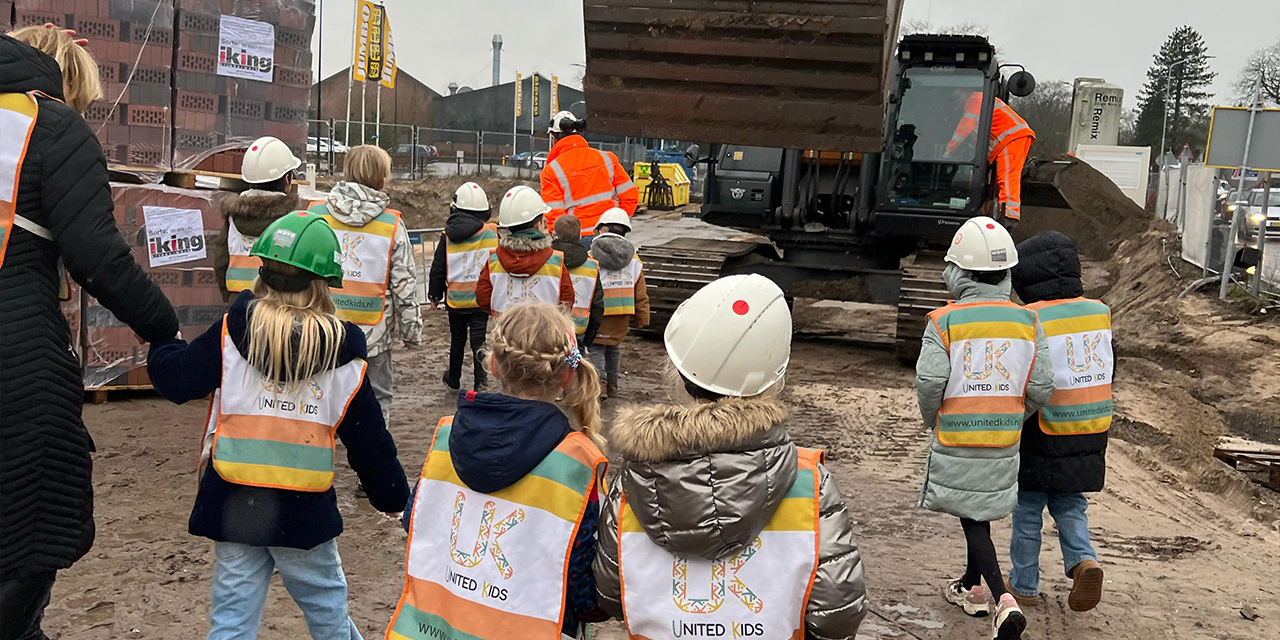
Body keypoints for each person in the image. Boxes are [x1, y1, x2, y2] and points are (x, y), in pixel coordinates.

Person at [147, 211, 409, 640]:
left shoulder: (234, 332)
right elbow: (370, 443)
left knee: (231, 621)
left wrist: (162, 339)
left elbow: (177, 379)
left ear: (262, 269)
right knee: (328, 617)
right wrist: (392, 497)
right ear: (326, 282)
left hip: (234, 503)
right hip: (303, 514)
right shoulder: (344, 355)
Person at [0, 28, 180, 639]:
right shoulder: (50, 129)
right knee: (29, 524)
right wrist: (164, 329)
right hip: (17, 366)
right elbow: (99, 256)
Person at [594, 274, 867, 640]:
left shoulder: (633, 481)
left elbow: (609, 594)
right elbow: (836, 616)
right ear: (773, 377)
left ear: (677, 368)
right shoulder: (810, 483)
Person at [388, 303, 609, 640]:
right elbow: (582, 578)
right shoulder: (576, 462)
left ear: (492, 364)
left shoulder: (448, 437)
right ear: (567, 374)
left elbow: (415, 520)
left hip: (438, 629)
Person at [916, 216, 1054, 640]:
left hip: (958, 434)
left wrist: (933, 419)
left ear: (960, 271)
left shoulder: (944, 322)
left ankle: (1002, 601)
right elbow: (1042, 385)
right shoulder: (1028, 321)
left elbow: (930, 383)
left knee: (971, 516)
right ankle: (972, 588)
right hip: (1004, 436)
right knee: (977, 508)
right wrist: (1014, 414)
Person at [1006, 231, 1110, 612]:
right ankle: (1084, 561)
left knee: (1027, 509)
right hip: (1090, 427)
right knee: (1070, 503)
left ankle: (1023, 586)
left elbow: (1024, 372)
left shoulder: (1031, 318)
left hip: (1042, 427)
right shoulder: (1100, 311)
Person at [306, 145, 422, 422]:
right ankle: (374, 454)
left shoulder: (316, 215)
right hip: (375, 334)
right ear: (382, 179)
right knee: (377, 400)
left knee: (319, 395)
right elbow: (404, 285)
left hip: (322, 329)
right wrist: (410, 331)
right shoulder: (392, 225)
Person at [214, 136, 304, 302]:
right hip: (278, 309)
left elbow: (221, 261)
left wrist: (232, 298)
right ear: (287, 179)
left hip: (239, 302)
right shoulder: (292, 221)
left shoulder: (233, 218)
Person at [428, 182, 499, 391]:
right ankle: (481, 382)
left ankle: (454, 378)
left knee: (457, 341)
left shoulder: (448, 236)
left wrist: (434, 294)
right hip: (481, 298)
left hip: (456, 298)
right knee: (479, 341)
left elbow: (438, 267)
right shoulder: (492, 233)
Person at [540, 111, 638, 247]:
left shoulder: (552, 170)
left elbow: (555, 215)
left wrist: (562, 241)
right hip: (611, 234)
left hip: (578, 240)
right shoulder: (607, 158)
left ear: (554, 137)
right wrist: (618, 223)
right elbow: (630, 196)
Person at [476, 185, 574, 316]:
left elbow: (483, 298)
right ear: (537, 224)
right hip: (545, 333)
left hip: (505, 332)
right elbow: (567, 301)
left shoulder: (494, 260)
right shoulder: (555, 260)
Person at [945, 92, 1035, 224]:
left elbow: (966, 127)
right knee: (1001, 177)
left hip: (1011, 138)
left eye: (957, 97)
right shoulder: (979, 101)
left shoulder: (975, 99)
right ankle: (1002, 211)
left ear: (964, 93)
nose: (957, 101)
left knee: (1007, 177)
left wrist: (948, 150)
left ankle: (1009, 216)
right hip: (1004, 142)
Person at [587, 208, 649, 400]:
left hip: (599, 312)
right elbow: (640, 292)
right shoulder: (634, 260)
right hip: (622, 313)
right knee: (613, 347)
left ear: (601, 230)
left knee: (596, 346)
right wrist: (642, 317)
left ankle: (601, 384)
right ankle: (613, 385)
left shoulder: (591, 257)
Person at [552, 214, 604, 350]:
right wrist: (588, 338)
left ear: (554, 235)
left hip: (548, 328)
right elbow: (597, 305)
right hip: (577, 331)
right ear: (580, 236)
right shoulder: (591, 266)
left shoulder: (545, 261)